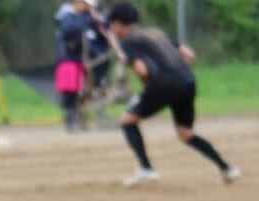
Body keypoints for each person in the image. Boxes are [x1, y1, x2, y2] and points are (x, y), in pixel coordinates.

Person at [106, 1, 242, 187]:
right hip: (187, 80)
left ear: (118, 23)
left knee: (127, 120)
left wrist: (148, 86)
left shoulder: (129, 41)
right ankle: (227, 169)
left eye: (112, 25)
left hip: (165, 84)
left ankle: (147, 169)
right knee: (185, 133)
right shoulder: (156, 33)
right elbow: (188, 55)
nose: (113, 30)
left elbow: (142, 70)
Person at [54, 0, 106, 131]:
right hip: (67, 59)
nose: (87, 8)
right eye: (86, 5)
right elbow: (69, 30)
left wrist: (97, 20)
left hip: (78, 60)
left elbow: (102, 27)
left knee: (78, 90)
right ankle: (70, 120)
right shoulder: (67, 16)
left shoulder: (84, 17)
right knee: (69, 91)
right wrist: (89, 20)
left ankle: (77, 119)